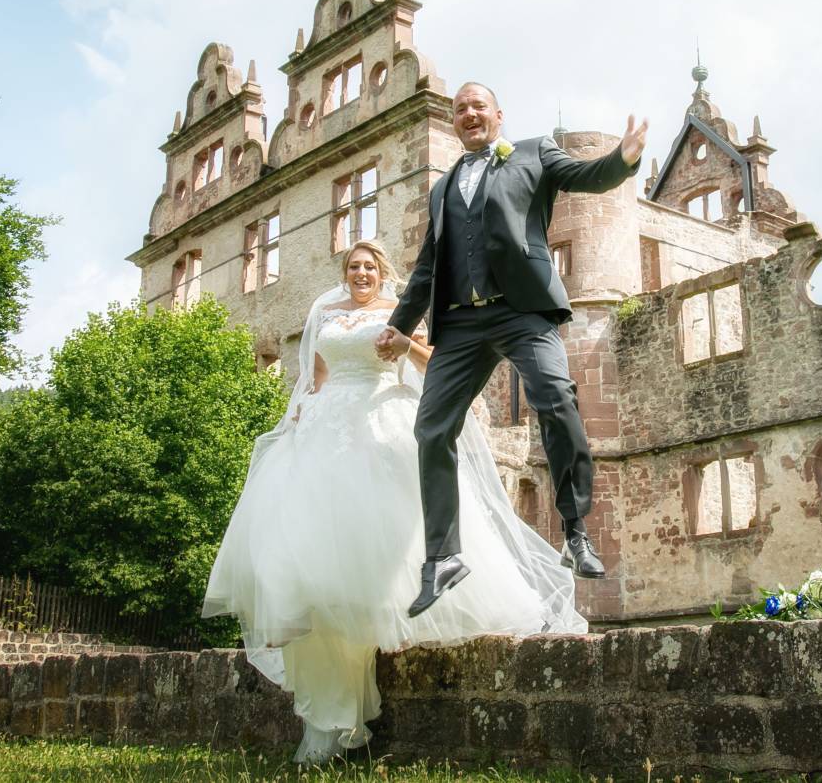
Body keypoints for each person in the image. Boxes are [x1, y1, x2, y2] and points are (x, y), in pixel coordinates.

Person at [201, 241, 587, 763]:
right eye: (353, 266)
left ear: (383, 273)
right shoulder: (325, 311)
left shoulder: (400, 312)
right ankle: (333, 705)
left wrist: (404, 345)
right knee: (312, 540)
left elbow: (436, 363)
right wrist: (300, 415)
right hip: (328, 423)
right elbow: (315, 374)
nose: (361, 273)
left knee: (387, 529)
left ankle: (391, 625)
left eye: (369, 266)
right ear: (345, 273)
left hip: (384, 418)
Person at [377, 83, 647, 617]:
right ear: (454, 123)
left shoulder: (533, 152)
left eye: (478, 106)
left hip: (522, 312)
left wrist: (622, 160)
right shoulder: (443, 187)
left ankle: (574, 531)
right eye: (460, 110)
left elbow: (583, 176)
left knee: (557, 397)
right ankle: (443, 557)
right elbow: (428, 267)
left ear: (498, 115)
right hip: (459, 326)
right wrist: (399, 326)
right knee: (431, 430)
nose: (469, 114)